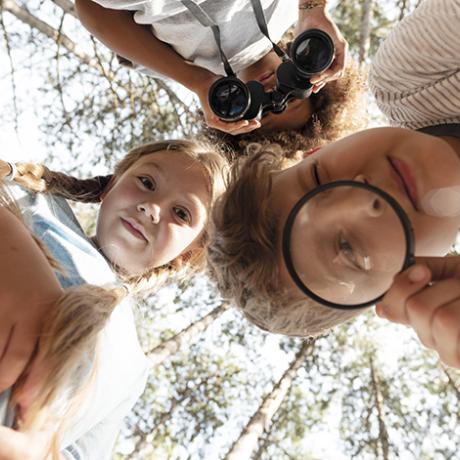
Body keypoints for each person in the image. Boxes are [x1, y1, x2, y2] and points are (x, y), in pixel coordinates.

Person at [207, 0, 460, 368]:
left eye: (318, 177)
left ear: (318, 150)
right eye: (349, 248)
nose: (364, 198)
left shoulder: (410, 80)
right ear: (397, 286)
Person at [0, 139, 228, 458]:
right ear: (110, 185)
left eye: (180, 213)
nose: (152, 208)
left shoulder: (132, 367)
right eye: (146, 182)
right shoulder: (33, 201)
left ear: (188, 254)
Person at [74, 0, 356, 142]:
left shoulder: (183, 69)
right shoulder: (294, 11)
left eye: (265, 110)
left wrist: (198, 81)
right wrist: (313, 9)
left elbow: (91, 9)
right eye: (292, 96)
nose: (272, 92)